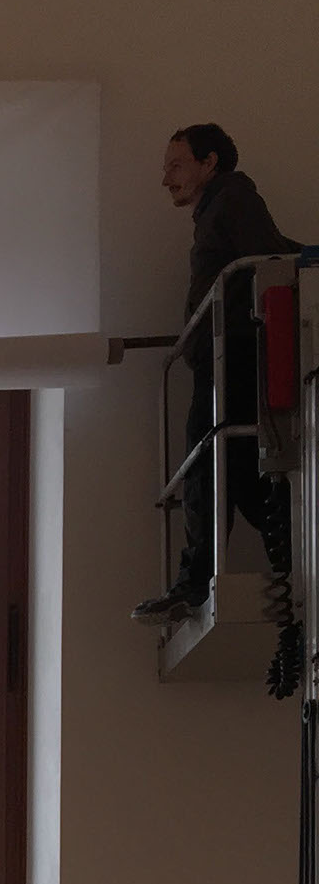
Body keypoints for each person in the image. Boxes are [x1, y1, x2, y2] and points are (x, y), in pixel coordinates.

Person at [133, 123, 298, 631]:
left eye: (176, 165)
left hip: (234, 361)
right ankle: (293, 555)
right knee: (241, 477)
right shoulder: (221, 206)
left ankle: (195, 581)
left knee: (208, 468)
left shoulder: (233, 199)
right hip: (229, 360)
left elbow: (267, 258)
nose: (167, 178)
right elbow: (275, 250)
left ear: (209, 163)